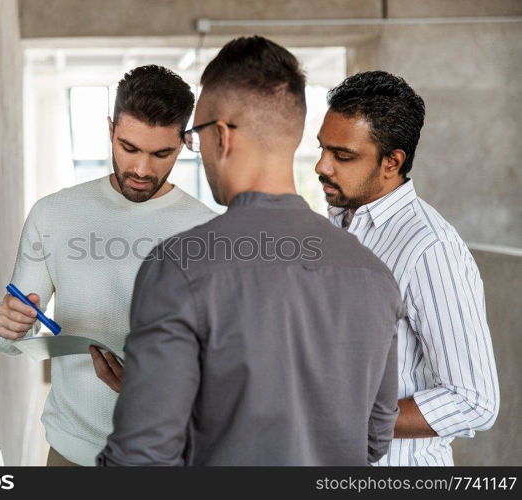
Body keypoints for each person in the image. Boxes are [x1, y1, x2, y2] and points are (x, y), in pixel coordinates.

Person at [98, 36, 405, 466]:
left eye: (195, 135)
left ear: (221, 136)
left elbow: (140, 461)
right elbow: (373, 440)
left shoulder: (179, 267)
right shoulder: (375, 276)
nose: (197, 149)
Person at [0, 65, 217, 466]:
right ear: (111, 129)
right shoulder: (54, 214)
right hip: (71, 452)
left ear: (183, 142)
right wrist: (8, 325)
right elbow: (10, 339)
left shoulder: (207, 231)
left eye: (160, 153)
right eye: (129, 148)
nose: (142, 170)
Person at [316, 70, 499, 465]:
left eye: (342, 156)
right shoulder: (337, 221)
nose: (322, 166)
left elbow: (473, 400)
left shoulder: (429, 248)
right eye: (322, 149)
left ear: (392, 162)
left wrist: (346, 417)